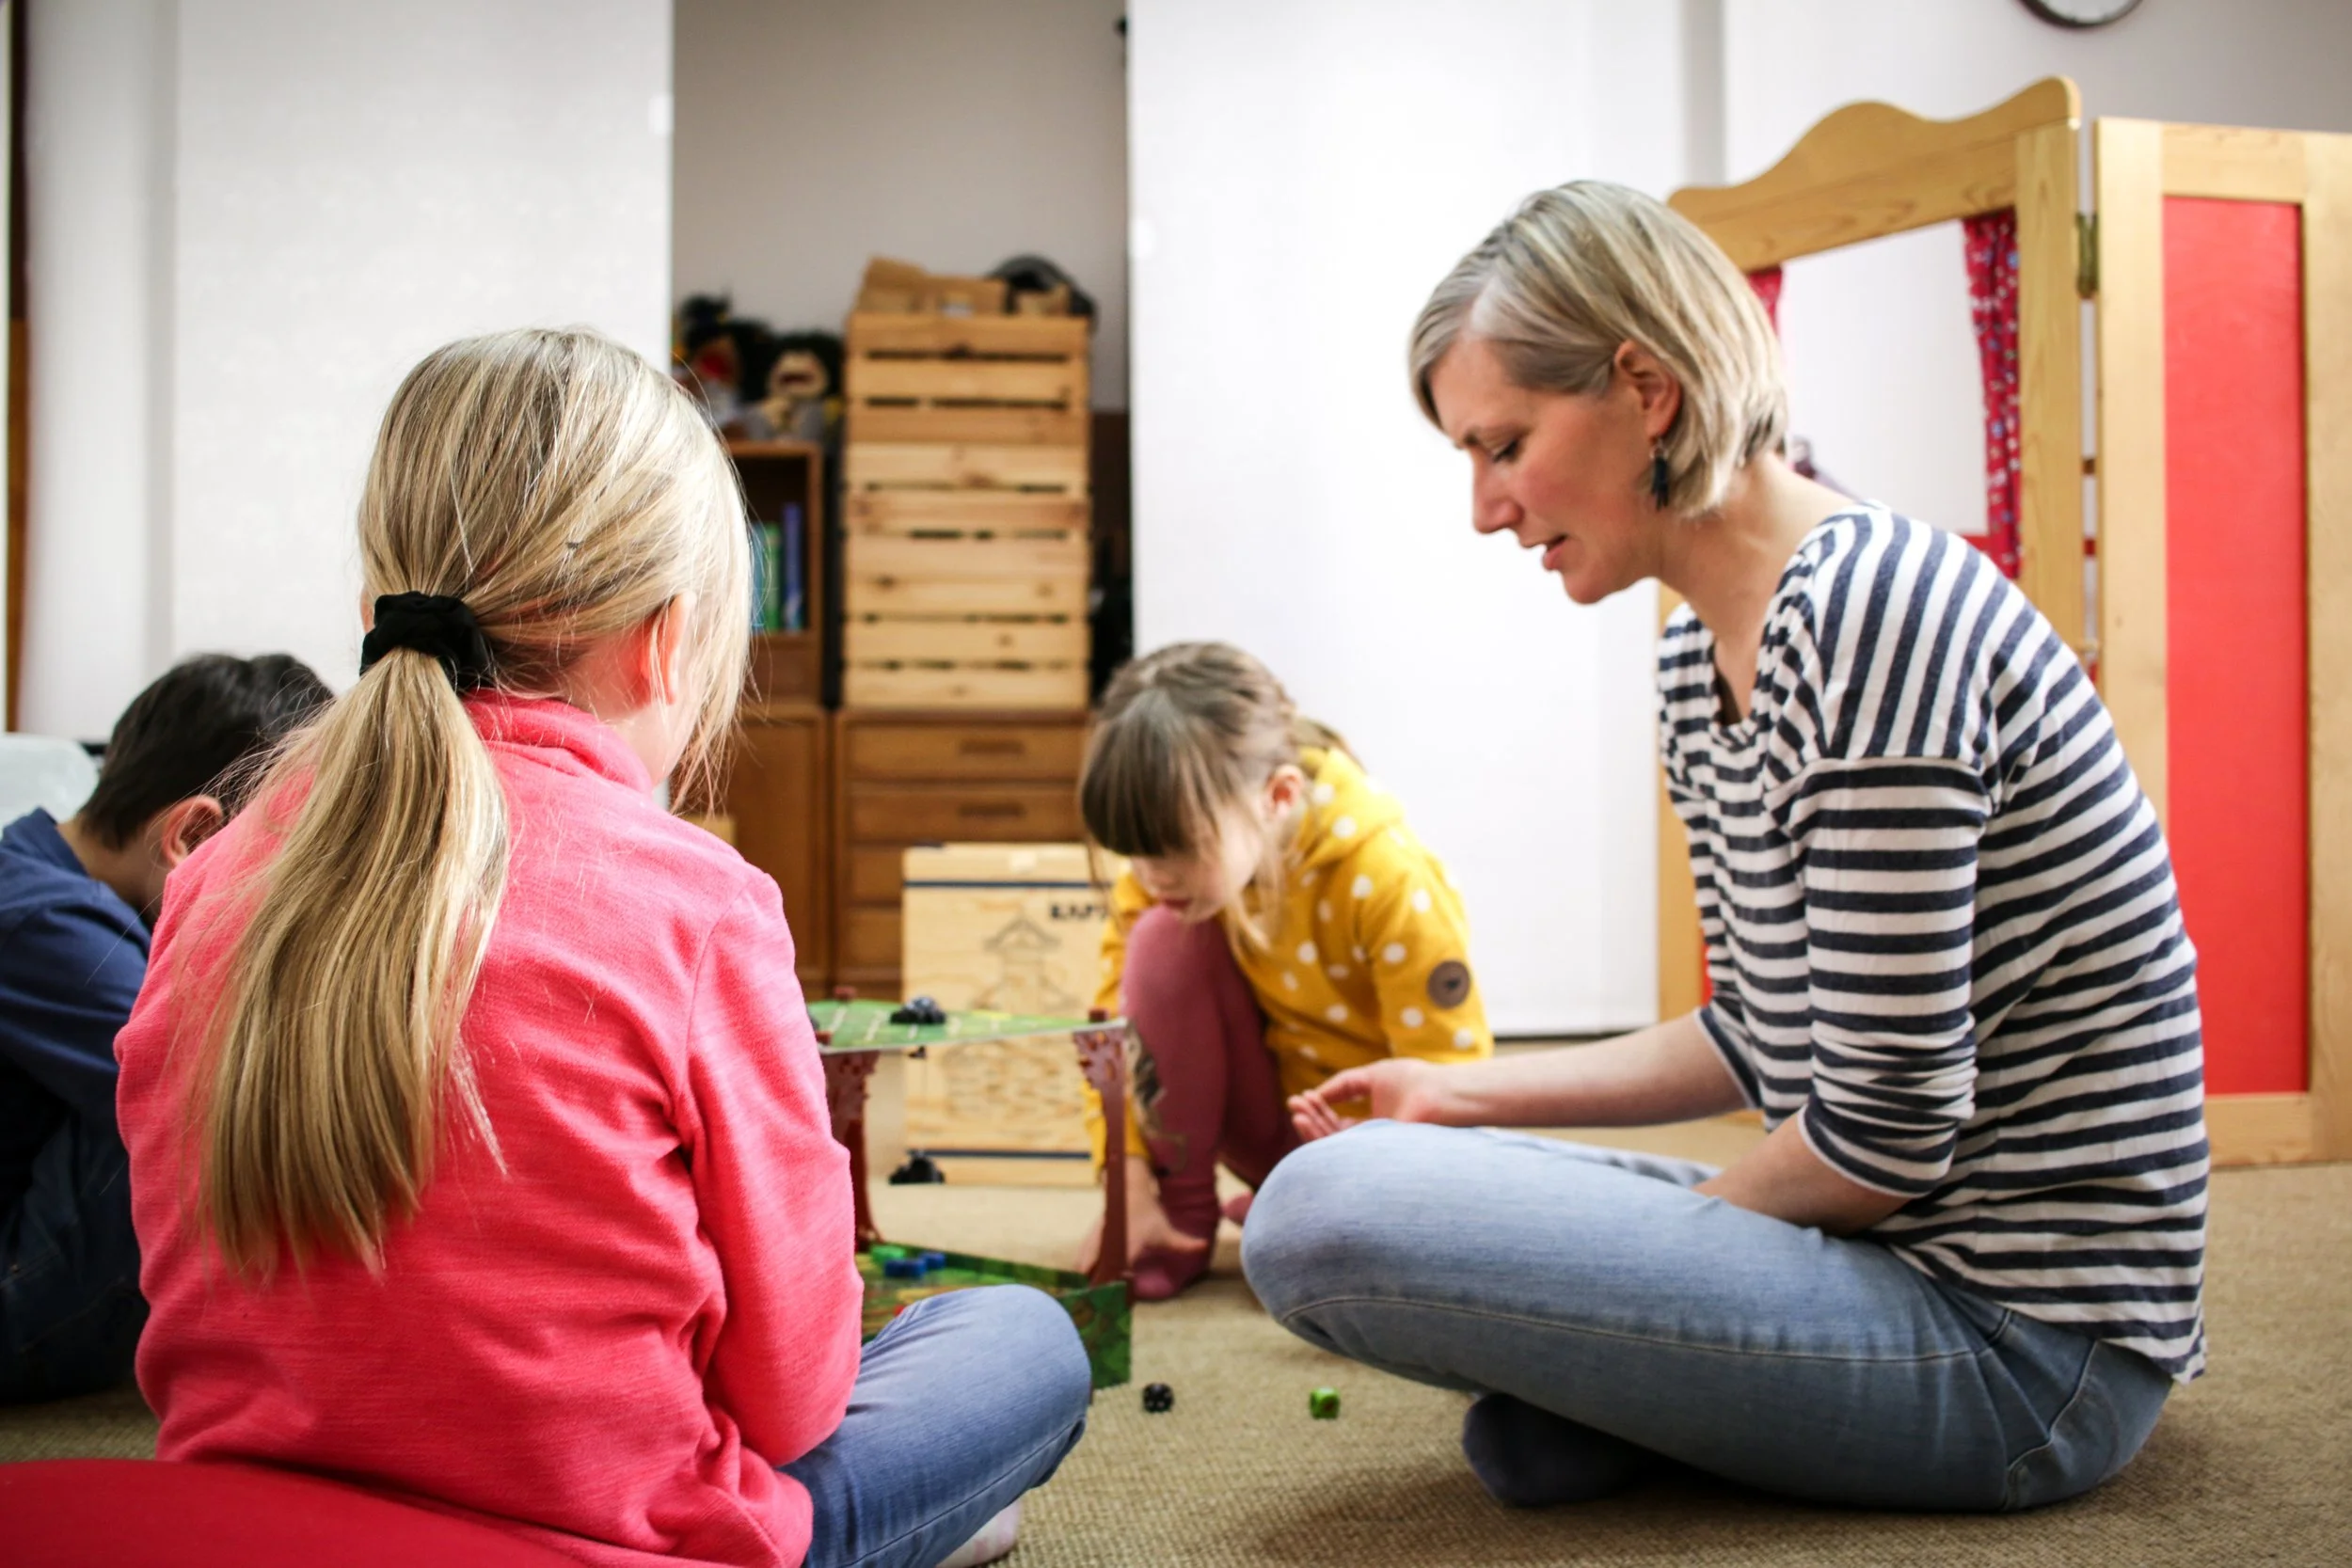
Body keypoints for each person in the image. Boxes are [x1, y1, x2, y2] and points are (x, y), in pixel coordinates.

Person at [1244, 182, 2206, 1513]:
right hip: (1892, 1247)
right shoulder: (1701, 648)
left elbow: (1883, 1129)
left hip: (2028, 1348)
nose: (1484, 506)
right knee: (1411, 1196)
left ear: (1646, 385)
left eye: (1505, 442)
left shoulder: (1869, 613)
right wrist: (1466, 1097)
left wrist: (1622, 1268)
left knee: (1319, 1218)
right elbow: (1765, 1030)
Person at [112, 329, 1090, 1568]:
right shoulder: (698, 901)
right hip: (622, 1537)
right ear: (664, 640)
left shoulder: (212, 876)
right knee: (1017, 1336)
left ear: (375, 610)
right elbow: (794, 1395)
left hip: (258, 1521)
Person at [1078, 641, 1494, 1300]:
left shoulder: (1384, 873)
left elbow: (1454, 1072)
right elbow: (1108, 1037)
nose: (1152, 874)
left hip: (1376, 1149)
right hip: (1268, 1123)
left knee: (1355, 1255)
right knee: (1160, 938)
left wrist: (1385, 1169)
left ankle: (1297, 1209)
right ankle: (1184, 1216)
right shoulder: (1164, 878)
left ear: (1279, 795)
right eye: (1134, 854)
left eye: (1180, 848)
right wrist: (1124, 1176)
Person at [1, 651, 329, 1403]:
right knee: (198, 1067)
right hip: (17, 1304)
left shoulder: (38, 873)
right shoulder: (42, 921)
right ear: (190, 837)